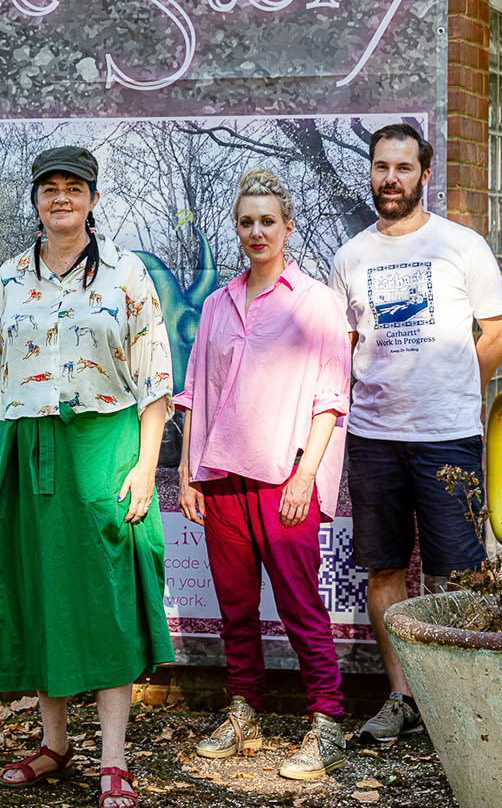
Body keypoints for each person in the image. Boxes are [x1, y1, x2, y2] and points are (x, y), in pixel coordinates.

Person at [0, 146, 174, 808]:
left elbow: (155, 380)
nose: (61, 197)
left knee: (108, 601)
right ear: (35, 199)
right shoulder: (9, 278)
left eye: (73, 187)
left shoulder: (126, 273)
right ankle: (54, 744)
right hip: (26, 450)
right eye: (49, 188)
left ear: (92, 198)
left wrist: (146, 466)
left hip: (103, 445)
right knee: (40, 593)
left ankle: (113, 759)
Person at [329, 123, 502, 745]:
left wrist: (459, 388)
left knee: (453, 575)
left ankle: (456, 704)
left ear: (424, 175)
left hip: (448, 437)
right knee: (384, 570)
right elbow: (344, 347)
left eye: (403, 168)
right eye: (382, 167)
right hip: (373, 438)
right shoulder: (351, 256)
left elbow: (497, 331)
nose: (391, 179)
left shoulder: (462, 246)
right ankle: (403, 697)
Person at [176, 169, 351, 779]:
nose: (257, 232)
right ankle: (244, 711)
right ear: (237, 228)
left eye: (267, 221)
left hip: (285, 480)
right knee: (235, 608)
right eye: (246, 222)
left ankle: (328, 723)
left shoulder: (316, 303)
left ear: (288, 227)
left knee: (301, 605)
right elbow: (195, 392)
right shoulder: (217, 304)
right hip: (221, 479)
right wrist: (187, 473)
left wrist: (306, 475)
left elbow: (331, 398)